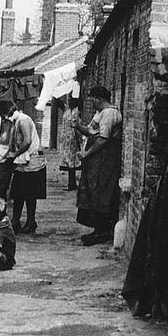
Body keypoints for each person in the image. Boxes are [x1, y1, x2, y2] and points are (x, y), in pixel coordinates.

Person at [74, 85, 123, 246]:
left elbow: (103, 139)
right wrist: (77, 125)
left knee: (101, 190)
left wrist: (87, 154)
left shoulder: (110, 113)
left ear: (99, 98)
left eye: (93, 99)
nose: (92, 102)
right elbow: (90, 131)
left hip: (106, 158)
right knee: (92, 190)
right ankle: (97, 228)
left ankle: (103, 230)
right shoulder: (100, 113)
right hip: (97, 159)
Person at [0, 101, 46, 234]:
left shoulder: (23, 121)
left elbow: (27, 142)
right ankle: (15, 221)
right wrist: (5, 157)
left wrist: (15, 155)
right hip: (22, 163)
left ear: (7, 113)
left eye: (3, 116)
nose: (4, 119)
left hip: (32, 163)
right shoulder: (16, 122)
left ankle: (31, 222)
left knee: (30, 195)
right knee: (18, 194)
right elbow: (13, 145)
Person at [59, 96, 82, 191]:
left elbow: (78, 125)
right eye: (69, 101)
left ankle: (72, 184)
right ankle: (71, 183)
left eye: (71, 101)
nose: (69, 103)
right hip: (66, 139)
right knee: (68, 161)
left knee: (72, 161)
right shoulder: (67, 111)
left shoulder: (77, 112)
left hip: (73, 139)